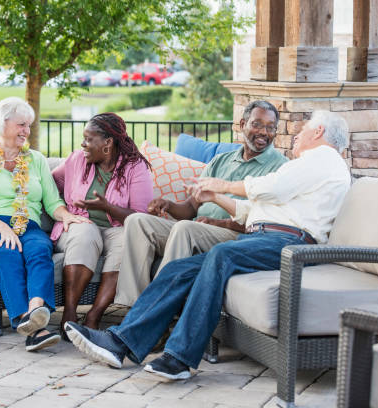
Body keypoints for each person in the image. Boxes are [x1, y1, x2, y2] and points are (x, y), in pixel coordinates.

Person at [65, 110, 352, 380]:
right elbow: (252, 211)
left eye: (302, 129)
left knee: (221, 255)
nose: (296, 135)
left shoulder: (323, 157)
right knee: (179, 269)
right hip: (266, 236)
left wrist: (223, 185)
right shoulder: (311, 172)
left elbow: (271, 187)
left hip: (291, 244)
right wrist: (215, 195)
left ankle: (179, 358)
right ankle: (121, 342)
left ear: (319, 130)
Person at [115, 100, 288, 306]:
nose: (264, 132)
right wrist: (168, 205)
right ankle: (130, 306)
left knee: (186, 229)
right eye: (257, 124)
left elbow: (269, 221)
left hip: (236, 236)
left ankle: (157, 307)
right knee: (138, 222)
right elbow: (190, 209)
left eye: (270, 127)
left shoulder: (280, 168)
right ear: (242, 125)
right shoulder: (221, 161)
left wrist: (219, 223)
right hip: (197, 228)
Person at [0, 97, 90, 352]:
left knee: (39, 250)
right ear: (2, 124)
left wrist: (66, 216)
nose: (26, 131)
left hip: (29, 223)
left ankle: (35, 311)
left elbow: (52, 201)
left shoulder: (36, 159)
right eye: (21, 124)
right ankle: (32, 326)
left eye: (29, 125)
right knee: (8, 253)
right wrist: (3, 228)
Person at [51, 113, 153, 334]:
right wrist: (60, 209)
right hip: (80, 222)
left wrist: (107, 207)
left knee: (128, 240)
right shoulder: (77, 159)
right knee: (85, 234)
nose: (83, 144)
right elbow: (50, 184)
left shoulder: (135, 168)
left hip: (117, 227)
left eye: (89, 139)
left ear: (108, 142)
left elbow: (140, 218)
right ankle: (69, 314)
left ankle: (94, 316)